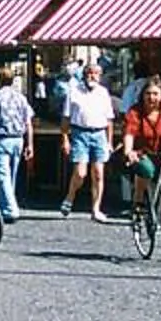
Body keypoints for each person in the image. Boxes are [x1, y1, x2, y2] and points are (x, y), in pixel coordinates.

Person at [118, 76, 161, 225]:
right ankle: (138, 204)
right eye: (148, 94)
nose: (152, 98)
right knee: (146, 170)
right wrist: (129, 150)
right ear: (143, 95)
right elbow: (129, 132)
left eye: (155, 94)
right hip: (142, 152)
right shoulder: (136, 111)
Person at [57, 64, 117, 219]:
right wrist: (65, 139)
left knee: (98, 173)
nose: (93, 76)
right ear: (84, 75)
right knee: (81, 173)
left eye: (96, 73)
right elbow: (66, 117)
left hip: (99, 134)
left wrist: (109, 141)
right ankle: (70, 197)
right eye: (90, 73)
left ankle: (96, 209)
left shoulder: (103, 93)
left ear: (100, 76)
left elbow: (109, 119)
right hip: (80, 133)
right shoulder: (74, 91)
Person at [0, 68, 32, 222]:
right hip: (18, 139)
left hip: (1, 139)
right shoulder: (21, 98)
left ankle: (10, 209)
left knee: (3, 176)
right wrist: (30, 144)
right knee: (12, 176)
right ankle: (7, 206)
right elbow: (28, 122)